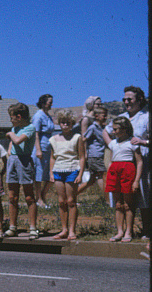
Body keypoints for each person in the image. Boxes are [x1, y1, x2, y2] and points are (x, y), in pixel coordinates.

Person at [115, 86, 149, 239]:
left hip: (145, 162)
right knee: (126, 198)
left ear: (139, 100)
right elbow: (109, 133)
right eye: (124, 100)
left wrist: (143, 141)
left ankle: (147, 230)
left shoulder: (147, 117)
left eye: (130, 99)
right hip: (125, 164)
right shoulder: (122, 117)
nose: (126, 102)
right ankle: (126, 230)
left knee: (145, 195)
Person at [104, 116, 143, 242]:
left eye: (116, 129)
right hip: (115, 171)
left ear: (125, 129)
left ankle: (128, 231)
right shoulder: (113, 143)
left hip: (128, 170)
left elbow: (139, 162)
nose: (114, 132)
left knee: (128, 204)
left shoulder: (132, 143)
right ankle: (119, 231)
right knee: (118, 204)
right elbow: (111, 160)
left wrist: (136, 180)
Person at [4, 102, 39, 238]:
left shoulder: (29, 128)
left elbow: (18, 140)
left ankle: (33, 228)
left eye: (12, 117)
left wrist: (10, 134)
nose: (11, 120)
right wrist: (9, 151)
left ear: (19, 117)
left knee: (29, 196)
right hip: (13, 160)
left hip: (24, 162)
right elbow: (13, 143)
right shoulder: (15, 128)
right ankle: (12, 227)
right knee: (12, 196)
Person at [49, 110, 85, 240]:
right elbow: (52, 157)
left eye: (68, 123)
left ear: (72, 124)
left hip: (72, 169)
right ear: (59, 123)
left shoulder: (77, 138)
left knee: (71, 201)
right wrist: (51, 172)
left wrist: (80, 173)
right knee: (61, 201)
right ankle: (63, 229)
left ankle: (72, 231)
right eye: (63, 122)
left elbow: (81, 157)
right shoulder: (53, 139)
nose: (65, 125)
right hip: (58, 170)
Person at [78, 106, 108, 197]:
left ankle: (72, 195)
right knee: (104, 176)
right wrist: (83, 153)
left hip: (99, 155)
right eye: (104, 116)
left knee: (91, 180)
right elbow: (83, 139)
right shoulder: (93, 128)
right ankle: (108, 201)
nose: (106, 118)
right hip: (95, 156)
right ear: (97, 116)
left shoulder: (102, 128)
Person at [32, 93, 54, 209]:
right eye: (49, 102)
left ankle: (43, 195)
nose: (51, 104)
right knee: (39, 175)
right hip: (40, 147)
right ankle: (38, 198)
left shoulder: (48, 116)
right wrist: (38, 149)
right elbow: (35, 133)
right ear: (44, 103)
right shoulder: (38, 116)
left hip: (48, 148)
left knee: (48, 174)